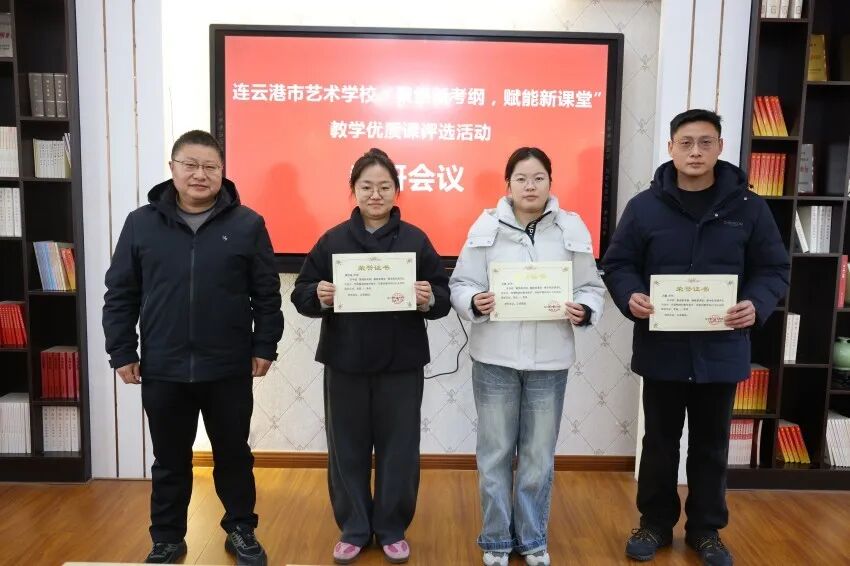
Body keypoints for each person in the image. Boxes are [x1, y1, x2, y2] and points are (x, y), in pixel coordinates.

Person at [601, 109, 790, 566]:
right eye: (685, 143)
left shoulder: (749, 207)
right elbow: (618, 264)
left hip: (720, 350)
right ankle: (654, 524)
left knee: (711, 446)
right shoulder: (644, 207)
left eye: (706, 142)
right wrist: (631, 296)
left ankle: (706, 531)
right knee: (659, 443)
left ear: (720, 147)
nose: (695, 152)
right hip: (662, 349)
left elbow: (773, 268)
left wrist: (756, 304)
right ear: (670, 148)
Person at [103, 130, 283, 565]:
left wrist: (265, 345)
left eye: (210, 166)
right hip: (163, 367)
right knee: (169, 460)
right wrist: (122, 351)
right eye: (191, 165)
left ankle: (240, 529)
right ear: (173, 169)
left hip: (228, 367)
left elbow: (266, 294)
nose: (200, 174)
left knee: (234, 455)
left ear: (222, 172)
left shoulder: (248, 224)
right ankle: (167, 538)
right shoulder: (141, 223)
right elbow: (120, 293)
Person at [290, 148, 450, 564]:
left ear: (397, 191)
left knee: (400, 449)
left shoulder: (416, 239)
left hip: (402, 363)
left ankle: (392, 528)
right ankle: (355, 528)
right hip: (344, 361)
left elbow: (443, 295)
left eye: (384, 187)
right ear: (353, 191)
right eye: (366, 187)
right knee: (346, 448)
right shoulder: (332, 240)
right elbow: (301, 294)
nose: (375, 195)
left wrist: (429, 297)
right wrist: (318, 294)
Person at [449, 147, 605, 566]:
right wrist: (474, 301)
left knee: (537, 457)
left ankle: (533, 539)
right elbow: (460, 284)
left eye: (538, 178)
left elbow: (591, 288)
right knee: (495, 453)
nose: (530, 186)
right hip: (494, 359)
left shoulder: (571, 228)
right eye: (521, 178)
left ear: (550, 182)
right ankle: (497, 539)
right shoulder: (485, 226)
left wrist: (585, 309)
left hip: (549, 363)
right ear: (508, 184)